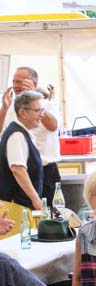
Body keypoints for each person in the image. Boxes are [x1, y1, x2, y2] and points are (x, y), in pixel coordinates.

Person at [0, 67, 61, 207]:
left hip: (45, 169)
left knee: (49, 213)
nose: (15, 85)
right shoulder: (15, 122)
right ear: (22, 113)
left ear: (34, 83)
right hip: (21, 175)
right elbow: (17, 168)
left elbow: (53, 126)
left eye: (20, 82)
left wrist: (35, 102)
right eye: (13, 81)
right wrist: (4, 108)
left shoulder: (47, 105)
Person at [0, 90, 45, 219]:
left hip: (20, 206)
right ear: (23, 113)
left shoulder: (21, 133)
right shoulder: (16, 135)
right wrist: (36, 199)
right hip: (15, 207)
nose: (42, 115)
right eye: (37, 111)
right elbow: (17, 169)